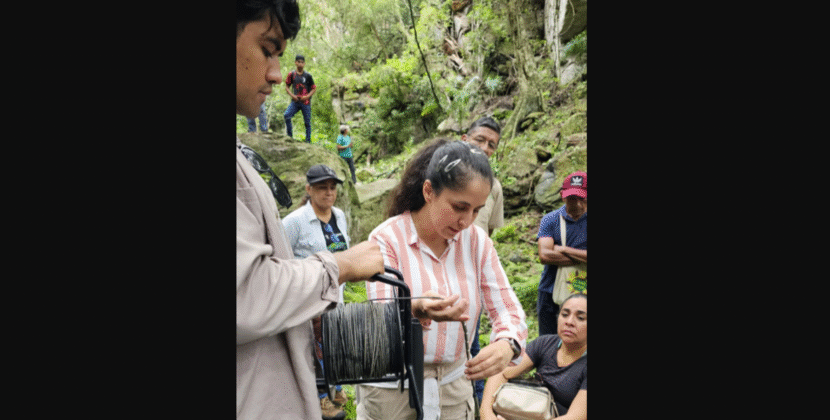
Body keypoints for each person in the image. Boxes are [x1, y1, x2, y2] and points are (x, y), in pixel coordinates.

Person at [236, 2, 385, 419]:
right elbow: (246, 295)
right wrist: (337, 267)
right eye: (268, 49)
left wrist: (310, 308)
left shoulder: (337, 219)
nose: (274, 72)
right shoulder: (296, 221)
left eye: (281, 55)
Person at [357, 139, 528, 420]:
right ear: (429, 191)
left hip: (453, 384)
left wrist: (507, 343)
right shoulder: (387, 239)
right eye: (459, 206)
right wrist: (415, 308)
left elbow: (508, 308)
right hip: (392, 385)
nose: (466, 221)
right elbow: (381, 317)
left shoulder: (476, 243)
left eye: (476, 210)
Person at [282, 164, 350, 420]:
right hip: (309, 300)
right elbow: (281, 259)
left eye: (332, 188)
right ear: (309, 189)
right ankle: (321, 399)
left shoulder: (340, 216)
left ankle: (337, 388)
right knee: (313, 349)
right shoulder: (294, 222)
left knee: (333, 343)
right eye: (322, 188)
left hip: (336, 296)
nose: (328, 193)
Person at [479, 294, 587, 420]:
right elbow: (502, 372)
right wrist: (486, 413)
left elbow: (575, 417)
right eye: (564, 314)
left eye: (580, 318)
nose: (569, 322)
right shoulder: (545, 344)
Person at [460, 116, 505, 404]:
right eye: (480, 140)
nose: (486, 148)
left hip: (471, 273)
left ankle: (476, 402)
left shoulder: (495, 187)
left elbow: (488, 234)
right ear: (465, 138)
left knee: (471, 341)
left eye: (492, 145)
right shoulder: (440, 177)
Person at [536, 171, 587, 336]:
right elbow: (544, 255)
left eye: (582, 198)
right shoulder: (551, 220)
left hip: (583, 290)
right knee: (548, 340)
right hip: (550, 290)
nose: (578, 204)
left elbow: (552, 254)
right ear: (562, 196)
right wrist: (582, 257)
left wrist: (564, 249)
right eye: (573, 198)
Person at [283, 54, 316, 142]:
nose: (300, 64)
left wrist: (307, 97)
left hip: (306, 102)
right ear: (295, 62)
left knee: (307, 123)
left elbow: (313, 88)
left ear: (304, 63)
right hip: (295, 101)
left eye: (302, 62)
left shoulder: (308, 76)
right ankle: (290, 137)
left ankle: (308, 141)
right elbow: (287, 87)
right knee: (286, 115)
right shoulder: (292, 74)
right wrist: (292, 95)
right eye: (299, 62)